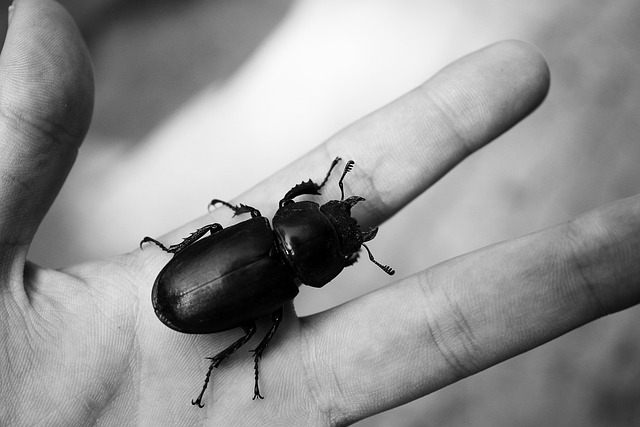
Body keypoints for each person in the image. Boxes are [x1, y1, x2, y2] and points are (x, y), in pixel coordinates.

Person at [1, 0, 638, 425]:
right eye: (339, 221)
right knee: (257, 330)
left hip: (181, 290)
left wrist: (318, 198)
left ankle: (199, 305)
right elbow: (275, 266)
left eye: (340, 232)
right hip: (183, 293)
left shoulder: (261, 225)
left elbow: (265, 221)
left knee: (250, 302)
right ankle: (211, 327)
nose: (341, 217)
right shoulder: (280, 267)